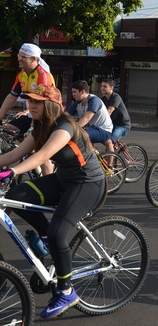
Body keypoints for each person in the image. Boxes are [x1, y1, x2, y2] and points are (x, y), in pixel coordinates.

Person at [0, 85, 105, 319]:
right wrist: (3, 166)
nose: (31, 105)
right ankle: (46, 237)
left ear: (52, 106)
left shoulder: (65, 127)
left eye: (37, 101)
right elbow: (14, 155)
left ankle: (66, 291)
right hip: (63, 179)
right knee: (17, 196)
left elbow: (42, 156)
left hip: (87, 183)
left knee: (60, 233)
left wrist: (10, 172)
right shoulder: (39, 127)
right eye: (29, 101)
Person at [0, 43, 55, 134]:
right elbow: (11, 97)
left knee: (30, 136)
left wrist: (33, 125)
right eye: (19, 55)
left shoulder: (43, 76)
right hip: (32, 114)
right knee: (8, 130)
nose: (19, 59)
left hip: (46, 116)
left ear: (33, 59)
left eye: (23, 57)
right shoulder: (21, 75)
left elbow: (41, 102)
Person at [65, 80, 113, 149]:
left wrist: (73, 129)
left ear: (83, 92)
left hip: (103, 129)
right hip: (91, 128)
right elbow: (66, 115)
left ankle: (90, 157)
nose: (73, 94)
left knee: (81, 136)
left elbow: (87, 118)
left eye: (75, 92)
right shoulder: (78, 102)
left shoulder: (94, 100)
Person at [99, 78, 131, 150]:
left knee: (109, 142)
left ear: (111, 88)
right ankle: (113, 148)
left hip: (122, 126)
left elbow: (109, 112)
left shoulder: (116, 97)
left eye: (105, 86)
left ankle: (111, 159)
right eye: (102, 86)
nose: (102, 88)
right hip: (112, 125)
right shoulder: (103, 99)